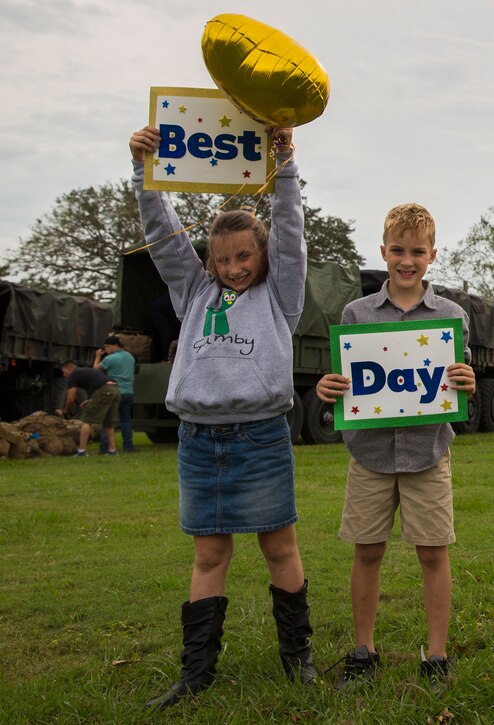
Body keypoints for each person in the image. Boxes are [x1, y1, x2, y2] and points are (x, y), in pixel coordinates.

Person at [129, 125, 317, 709]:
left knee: (280, 549)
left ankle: (298, 660)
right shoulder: (193, 291)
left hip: (261, 438)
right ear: (209, 262)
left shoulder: (281, 293)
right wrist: (144, 171)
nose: (235, 268)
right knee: (209, 554)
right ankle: (198, 672)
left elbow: (290, 231)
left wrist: (285, 164)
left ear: (262, 255)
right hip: (199, 441)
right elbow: (162, 237)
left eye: (245, 256)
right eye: (224, 259)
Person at [315, 203, 476, 691]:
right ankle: (363, 651)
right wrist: (329, 389)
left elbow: (458, 377)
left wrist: (468, 380)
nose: (407, 260)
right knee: (368, 551)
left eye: (418, 252)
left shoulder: (452, 316)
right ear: (383, 252)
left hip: (428, 452)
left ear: (432, 255)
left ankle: (438, 656)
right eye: (398, 251)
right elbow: (347, 380)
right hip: (370, 454)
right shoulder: (356, 314)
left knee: (433, 554)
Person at [56, 360, 120, 456]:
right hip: (115, 389)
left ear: (69, 369)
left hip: (104, 391)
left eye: (64, 372)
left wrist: (64, 410)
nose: (64, 375)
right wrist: (91, 400)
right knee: (109, 423)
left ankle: (82, 451)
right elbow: (99, 384)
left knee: (87, 421)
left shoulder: (73, 375)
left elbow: (71, 398)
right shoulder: (86, 371)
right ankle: (112, 451)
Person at [95, 336, 136, 453]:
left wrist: (98, 356)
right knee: (126, 420)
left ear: (114, 346)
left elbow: (96, 369)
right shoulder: (130, 357)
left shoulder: (110, 358)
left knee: (108, 420)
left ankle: (104, 447)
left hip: (115, 392)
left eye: (107, 347)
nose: (106, 350)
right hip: (128, 392)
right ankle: (128, 446)